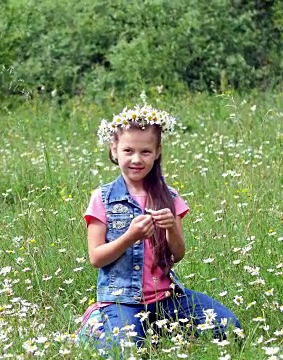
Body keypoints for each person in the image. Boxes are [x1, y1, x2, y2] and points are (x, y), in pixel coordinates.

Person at [76, 104, 241, 356]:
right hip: (121, 300)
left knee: (229, 327)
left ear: (157, 152)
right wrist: (130, 237)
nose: (136, 159)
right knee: (128, 351)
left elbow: (177, 254)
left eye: (145, 151)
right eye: (128, 150)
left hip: (166, 297)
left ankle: (156, 327)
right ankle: (98, 324)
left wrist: (172, 229)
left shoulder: (169, 196)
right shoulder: (103, 198)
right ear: (114, 150)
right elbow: (96, 257)